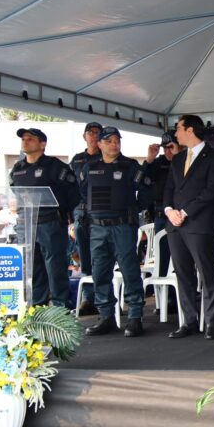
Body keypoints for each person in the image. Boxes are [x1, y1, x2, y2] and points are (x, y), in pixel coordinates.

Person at [80, 127, 152, 337]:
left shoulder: (130, 166)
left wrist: (134, 209)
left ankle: (135, 316)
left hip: (122, 226)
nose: (114, 144)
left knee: (129, 271)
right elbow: (84, 194)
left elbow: (147, 191)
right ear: (99, 144)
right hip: (97, 227)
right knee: (100, 272)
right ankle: (106, 316)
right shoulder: (89, 167)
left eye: (117, 140)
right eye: (109, 140)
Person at [164, 114, 214, 340]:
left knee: (206, 272)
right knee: (183, 274)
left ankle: (212, 322)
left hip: (199, 223)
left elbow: (211, 191)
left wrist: (185, 211)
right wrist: (169, 210)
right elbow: (169, 189)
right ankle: (189, 321)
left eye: (178, 128)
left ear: (190, 130)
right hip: (175, 225)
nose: (176, 133)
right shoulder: (178, 158)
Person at [8, 128, 80, 308]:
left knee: (55, 269)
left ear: (43, 144)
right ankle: (37, 309)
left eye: (30, 139)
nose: (25, 141)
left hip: (50, 224)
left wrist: (61, 213)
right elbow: (16, 193)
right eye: (24, 139)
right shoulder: (18, 168)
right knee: (33, 269)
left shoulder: (55, 166)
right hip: (27, 226)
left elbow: (74, 194)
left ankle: (60, 309)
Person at [70, 121, 103, 315]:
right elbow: (69, 188)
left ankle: (104, 299)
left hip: (101, 212)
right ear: (85, 137)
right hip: (81, 213)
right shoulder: (77, 160)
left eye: (97, 133)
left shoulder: (106, 157)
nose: (94, 136)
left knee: (102, 256)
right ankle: (87, 299)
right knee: (85, 258)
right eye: (90, 133)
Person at [144, 131, 182, 279]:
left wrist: (178, 157)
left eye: (171, 147)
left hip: (182, 213)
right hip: (161, 214)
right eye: (165, 148)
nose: (168, 151)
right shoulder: (158, 163)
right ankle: (164, 294)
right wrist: (150, 159)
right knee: (162, 255)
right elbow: (143, 179)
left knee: (181, 255)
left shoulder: (185, 160)